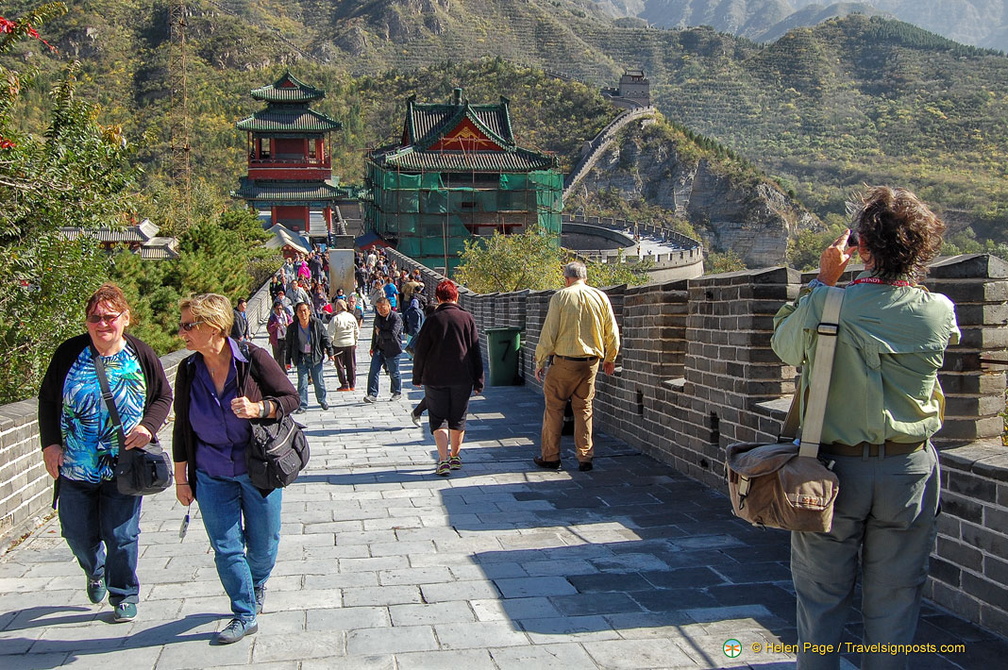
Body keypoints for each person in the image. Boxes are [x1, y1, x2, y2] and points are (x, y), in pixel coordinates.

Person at [770, 187, 960, 670]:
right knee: (896, 598)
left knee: (820, 597)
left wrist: (822, 280)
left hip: (830, 471)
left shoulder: (829, 302)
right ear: (921, 250)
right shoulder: (938, 309)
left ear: (863, 248)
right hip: (909, 470)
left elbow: (786, 348)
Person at [38, 283, 173, 623]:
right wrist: (50, 443)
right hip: (75, 465)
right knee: (76, 533)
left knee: (122, 534)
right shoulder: (69, 353)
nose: (102, 324)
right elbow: (48, 400)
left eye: (110, 317)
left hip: (124, 465)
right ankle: (94, 568)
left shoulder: (140, 354)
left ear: (125, 318)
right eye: (95, 318)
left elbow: (162, 397)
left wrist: (148, 427)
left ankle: (124, 593)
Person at [172, 292, 299, 645]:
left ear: (213, 327)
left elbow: (291, 398)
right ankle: (244, 611)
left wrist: (260, 409)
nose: (182, 333)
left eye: (188, 326)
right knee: (226, 547)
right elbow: (182, 426)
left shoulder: (252, 359)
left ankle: (256, 581)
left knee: (263, 544)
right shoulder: (188, 369)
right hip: (211, 472)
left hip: (257, 468)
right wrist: (182, 479)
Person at [533, 261, 620, 472]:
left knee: (554, 409)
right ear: (586, 278)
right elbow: (613, 332)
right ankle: (585, 457)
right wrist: (610, 358)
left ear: (566, 278)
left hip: (564, 362)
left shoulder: (561, 297)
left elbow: (549, 333)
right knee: (584, 409)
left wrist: (540, 360)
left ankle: (551, 457)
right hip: (591, 364)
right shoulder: (600, 297)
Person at [411, 281, 484, 476]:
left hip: (435, 377)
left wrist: (417, 376)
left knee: (438, 418)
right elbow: (475, 351)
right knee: (458, 418)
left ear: (437, 298)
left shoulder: (432, 320)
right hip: (462, 377)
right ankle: (455, 456)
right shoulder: (467, 318)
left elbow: (421, 352)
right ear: (456, 296)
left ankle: (443, 460)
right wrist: (479, 379)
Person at [285, 302, 332, 413]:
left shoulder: (317, 323)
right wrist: (287, 361)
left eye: (305, 310)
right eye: (300, 311)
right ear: (296, 313)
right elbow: (289, 345)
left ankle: (322, 400)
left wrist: (330, 352)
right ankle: (302, 405)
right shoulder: (292, 327)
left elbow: (325, 338)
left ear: (309, 311)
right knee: (302, 382)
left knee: (318, 381)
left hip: (315, 356)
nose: (303, 313)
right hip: (301, 357)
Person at [364, 297, 403, 403]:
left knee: (393, 372)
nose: (380, 310)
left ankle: (397, 391)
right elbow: (374, 333)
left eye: (382, 307)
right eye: (378, 307)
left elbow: (392, 334)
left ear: (389, 306)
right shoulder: (377, 317)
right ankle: (372, 394)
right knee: (373, 371)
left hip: (392, 349)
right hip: (379, 348)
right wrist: (372, 347)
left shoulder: (395, 318)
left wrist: (380, 333)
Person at [327, 299, 360, 392]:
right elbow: (356, 331)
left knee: (340, 365)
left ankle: (344, 384)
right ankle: (352, 384)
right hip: (350, 343)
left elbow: (330, 334)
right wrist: (355, 342)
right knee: (351, 365)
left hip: (338, 345)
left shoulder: (335, 319)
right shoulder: (351, 317)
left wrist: (328, 346)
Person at [266, 300, 292, 371]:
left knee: (283, 356)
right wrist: (275, 326)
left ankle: (283, 371)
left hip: (285, 338)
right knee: (277, 357)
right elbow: (269, 329)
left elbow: (292, 324)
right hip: (276, 340)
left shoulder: (286, 316)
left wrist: (288, 325)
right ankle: (278, 371)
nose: (279, 310)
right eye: (278, 309)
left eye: (281, 308)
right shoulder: (272, 318)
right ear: (274, 309)